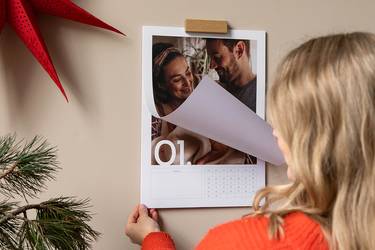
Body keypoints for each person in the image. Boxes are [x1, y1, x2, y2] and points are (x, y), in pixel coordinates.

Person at [126, 32, 375, 249]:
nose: (276, 134)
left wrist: (152, 239)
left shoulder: (242, 242)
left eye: (285, 122)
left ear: (315, 138)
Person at [151, 43, 245, 165]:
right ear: (161, 84)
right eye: (177, 79)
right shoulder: (157, 117)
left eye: (188, 72)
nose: (187, 82)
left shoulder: (209, 96)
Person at [206, 38, 256, 112]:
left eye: (217, 57)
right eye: (210, 58)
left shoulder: (265, 97)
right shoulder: (216, 92)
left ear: (239, 50)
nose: (211, 66)